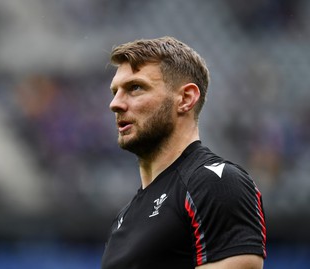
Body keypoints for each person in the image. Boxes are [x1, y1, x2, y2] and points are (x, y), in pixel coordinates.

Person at [101, 36, 266, 269]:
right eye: (115, 91)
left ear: (186, 99)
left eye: (135, 87)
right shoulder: (124, 218)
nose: (115, 104)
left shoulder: (215, 182)